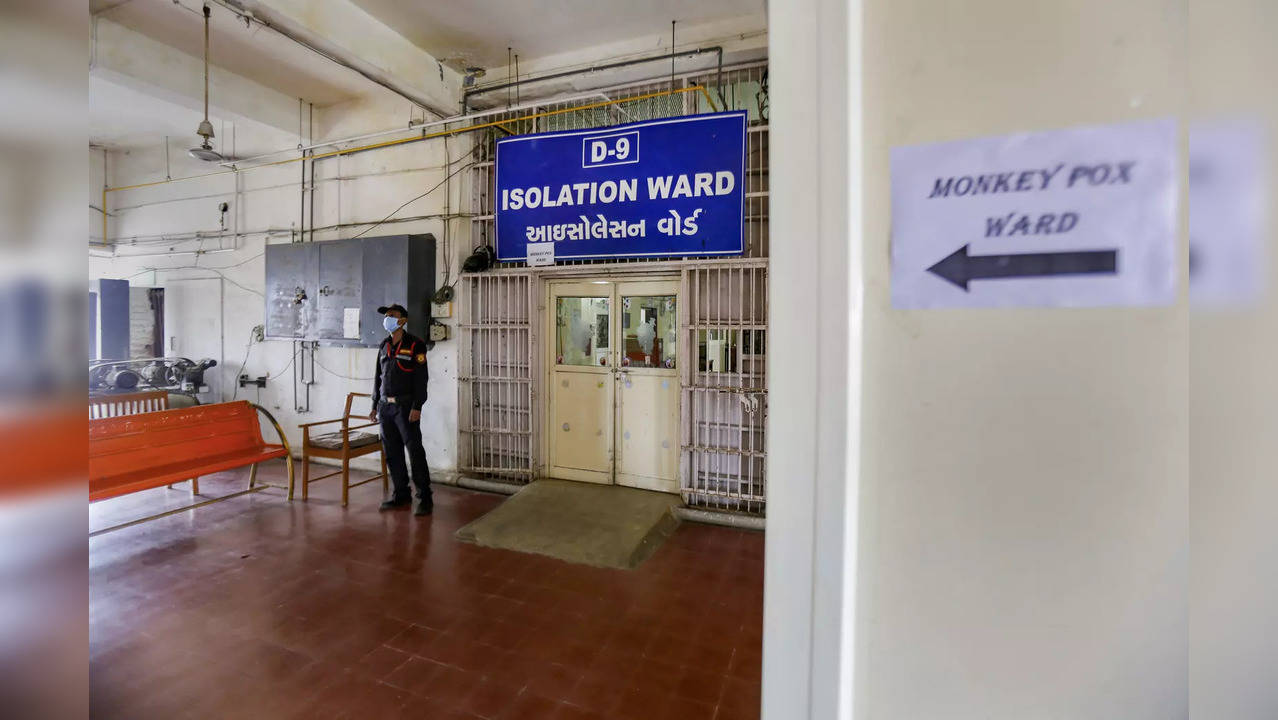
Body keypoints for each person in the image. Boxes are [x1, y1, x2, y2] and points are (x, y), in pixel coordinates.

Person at [369, 304, 432, 515]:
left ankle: (424, 498)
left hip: (406, 407)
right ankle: (401, 495)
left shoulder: (416, 345)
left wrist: (417, 406)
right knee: (392, 453)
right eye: (386, 316)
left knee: (414, 451)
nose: (387, 319)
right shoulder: (384, 345)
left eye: (392, 316)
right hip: (385, 407)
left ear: (403, 320)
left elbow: (421, 378)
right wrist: (374, 405)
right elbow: (378, 378)